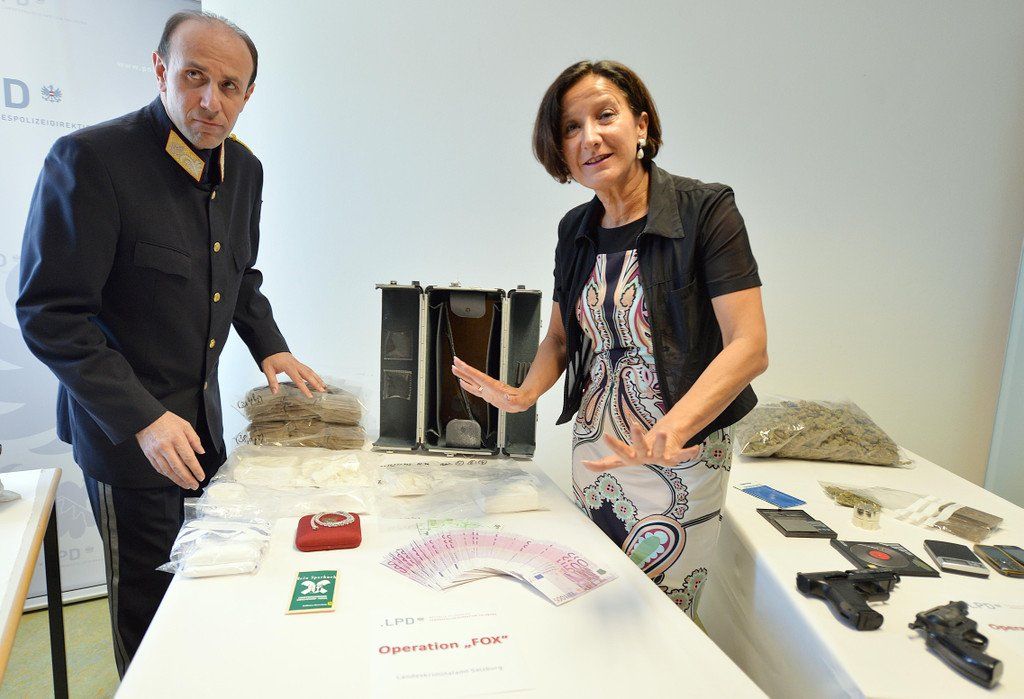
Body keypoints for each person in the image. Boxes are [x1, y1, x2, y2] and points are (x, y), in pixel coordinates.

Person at [16, 11, 323, 674]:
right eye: (194, 77)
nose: (211, 101)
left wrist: (269, 344)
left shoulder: (245, 169)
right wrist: (143, 419)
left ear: (248, 94)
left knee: (205, 587)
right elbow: (49, 313)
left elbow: (239, 276)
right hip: (128, 436)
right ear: (160, 71)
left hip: (201, 427)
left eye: (229, 86)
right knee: (150, 608)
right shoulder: (91, 160)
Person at [452, 60, 768, 620]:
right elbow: (559, 337)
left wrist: (673, 429)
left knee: (659, 614)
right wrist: (524, 394)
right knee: (595, 598)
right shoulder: (574, 228)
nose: (589, 138)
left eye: (605, 116)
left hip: (682, 450)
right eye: (571, 128)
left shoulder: (705, 209)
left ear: (641, 125)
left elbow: (748, 346)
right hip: (597, 446)